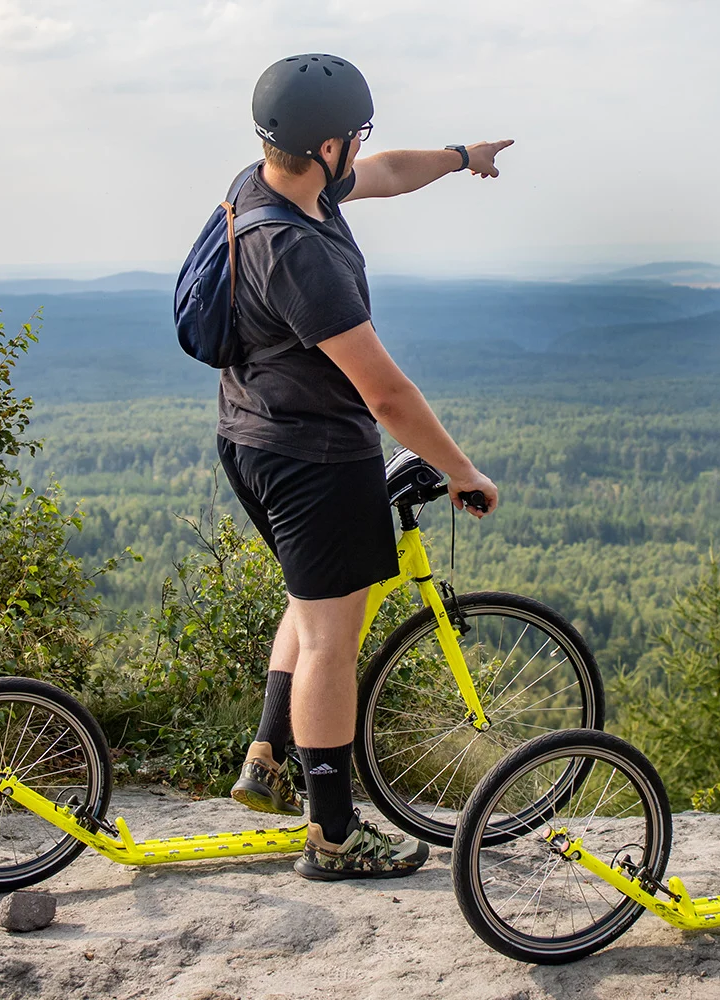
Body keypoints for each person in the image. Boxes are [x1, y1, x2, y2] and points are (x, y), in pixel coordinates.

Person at [215, 53, 511, 880]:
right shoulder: (296, 250)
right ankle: (335, 838)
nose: (364, 151)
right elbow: (385, 393)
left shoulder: (266, 184)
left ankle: (266, 760)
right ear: (329, 143)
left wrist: (461, 158)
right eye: (357, 136)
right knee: (332, 646)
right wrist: (461, 470)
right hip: (312, 455)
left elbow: (383, 173)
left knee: (313, 607)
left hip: (251, 435)